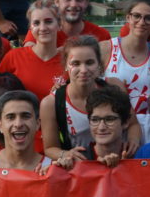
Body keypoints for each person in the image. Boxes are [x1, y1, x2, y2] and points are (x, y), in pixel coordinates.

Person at [41, 36, 136, 166]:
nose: (84, 70)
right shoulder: (51, 103)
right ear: (66, 66)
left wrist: (132, 142)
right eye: (76, 63)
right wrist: (66, 154)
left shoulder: (114, 86)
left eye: (89, 62)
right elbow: (50, 148)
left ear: (99, 64)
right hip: (81, 168)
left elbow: (133, 124)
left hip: (118, 162)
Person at [102, 0, 150, 113]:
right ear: (128, 17)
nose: (141, 22)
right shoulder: (106, 48)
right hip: (113, 126)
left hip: (147, 126)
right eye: (136, 16)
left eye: (148, 18)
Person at [0, 0, 66, 101]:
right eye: (36, 23)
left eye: (48, 21)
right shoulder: (14, 57)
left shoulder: (68, 61)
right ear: (30, 27)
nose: (42, 28)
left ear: (59, 24)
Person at [0, 90, 54, 174]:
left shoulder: (52, 169)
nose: (18, 124)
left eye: (25, 116)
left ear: (37, 124)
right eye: (10, 117)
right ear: (0, 125)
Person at [24, 0, 112, 46]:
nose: (73, 4)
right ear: (57, 1)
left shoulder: (102, 36)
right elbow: (28, 57)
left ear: (86, 2)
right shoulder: (41, 30)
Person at [82, 85, 134, 167]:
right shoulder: (77, 160)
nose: (101, 127)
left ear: (125, 122)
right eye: (95, 120)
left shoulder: (138, 158)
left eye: (109, 119)